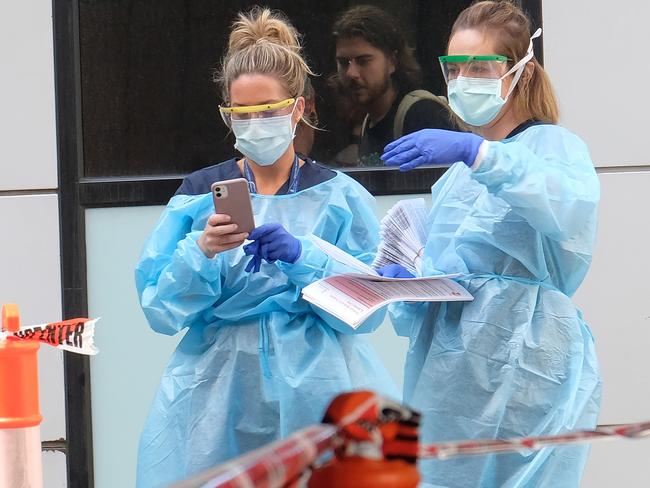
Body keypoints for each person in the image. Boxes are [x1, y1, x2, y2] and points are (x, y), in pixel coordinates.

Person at [134, 7, 398, 487]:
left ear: (298, 108)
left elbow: (371, 309)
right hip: (217, 394)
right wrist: (202, 250)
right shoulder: (198, 195)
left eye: (269, 111)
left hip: (319, 386)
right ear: (227, 115)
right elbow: (159, 307)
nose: (256, 124)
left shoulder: (339, 196)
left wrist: (305, 258)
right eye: (243, 114)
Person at [379, 2, 601, 487]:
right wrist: (406, 288)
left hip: (528, 365)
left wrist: (479, 152)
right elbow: (454, 278)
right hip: (449, 379)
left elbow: (565, 206)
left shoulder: (553, 149)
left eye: (480, 68)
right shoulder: (455, 181)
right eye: (453, 70)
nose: (463, 82)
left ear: (521, 71)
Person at [332, 4, 456, 166]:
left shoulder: (421, 112)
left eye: (363, 61)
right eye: (343, 62)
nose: (351, 73)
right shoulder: (368, 123)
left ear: (392, 61)